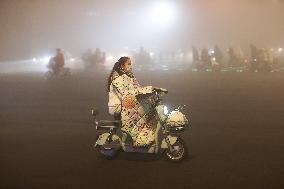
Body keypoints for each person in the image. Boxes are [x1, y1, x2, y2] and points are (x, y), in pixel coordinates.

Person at [107, 57, 157, 147]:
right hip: (118, 105)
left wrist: (149, 90)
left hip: (127, 102)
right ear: (122, 65)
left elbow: (137, 89)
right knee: (140, 112)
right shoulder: (116, 77)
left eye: (131, 64)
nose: (131, 66)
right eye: (128, 64)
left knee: (147, 110)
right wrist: (147, 89)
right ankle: (136, 140)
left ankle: (143, 137)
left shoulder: (129, 76)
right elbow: (125, 92)